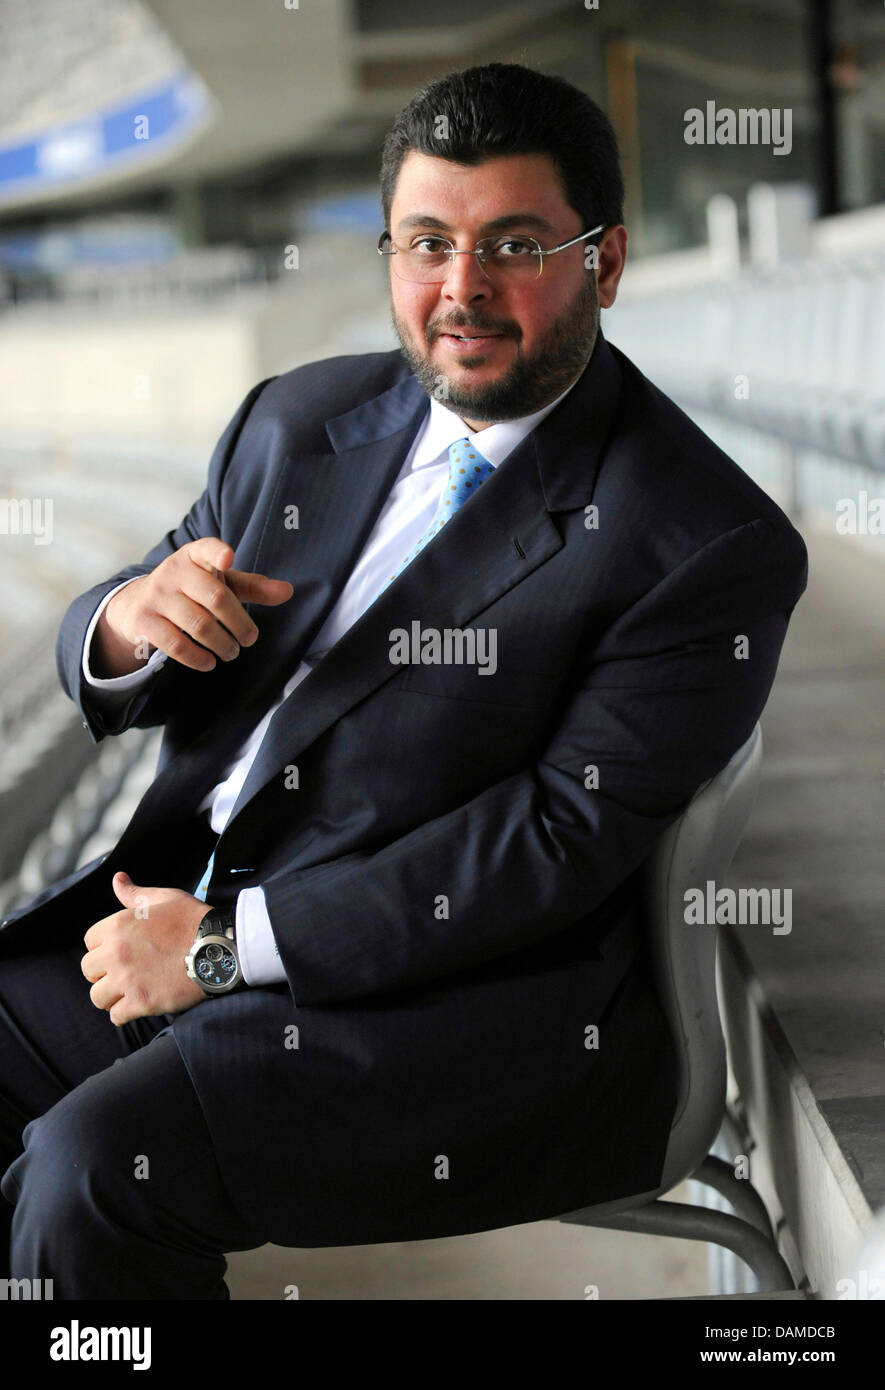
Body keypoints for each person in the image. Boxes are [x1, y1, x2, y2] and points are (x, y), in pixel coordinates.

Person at [0, 62, 807, 1299]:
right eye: (426, 242)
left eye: (515, 244)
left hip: (451, 1011)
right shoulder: (294, 421)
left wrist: (222, 950)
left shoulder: (700, 538)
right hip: (178, 922)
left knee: (96, 1170)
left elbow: (549, 844)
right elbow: (128, 624)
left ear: (606, 260)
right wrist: (123, 623)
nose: (462, 289)